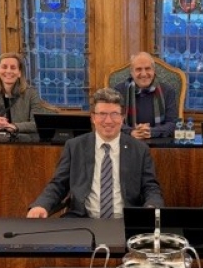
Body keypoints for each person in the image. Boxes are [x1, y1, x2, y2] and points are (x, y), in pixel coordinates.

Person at [27, 88, 164, 218]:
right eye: (102, 114)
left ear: (122, 117)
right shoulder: (74, 147)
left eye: (114, 114)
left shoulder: (139, 149)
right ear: (93, 117)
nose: (108, 121)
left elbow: (150, 187)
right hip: (82, 219)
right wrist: (41, 205)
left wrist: (152, 206)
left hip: (125, 220)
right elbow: (58, 184)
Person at [0, 53, 49, 134]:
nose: (8, 71)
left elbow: (36, 124)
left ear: (19, 73)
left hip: (22, 140)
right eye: (4, 67)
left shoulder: (31, 93)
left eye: (13, 68)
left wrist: (11, 126)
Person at [113, 52, 178, 139]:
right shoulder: (119, 91)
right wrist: (131, 132)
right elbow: (113, 120)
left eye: (148, 69)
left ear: (154, 70)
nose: (144, 74)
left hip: (159, 141)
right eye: (138, 69)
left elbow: (172, 123)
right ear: (131, 72)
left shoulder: (168, 91)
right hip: (128, 140)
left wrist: (151, 132)